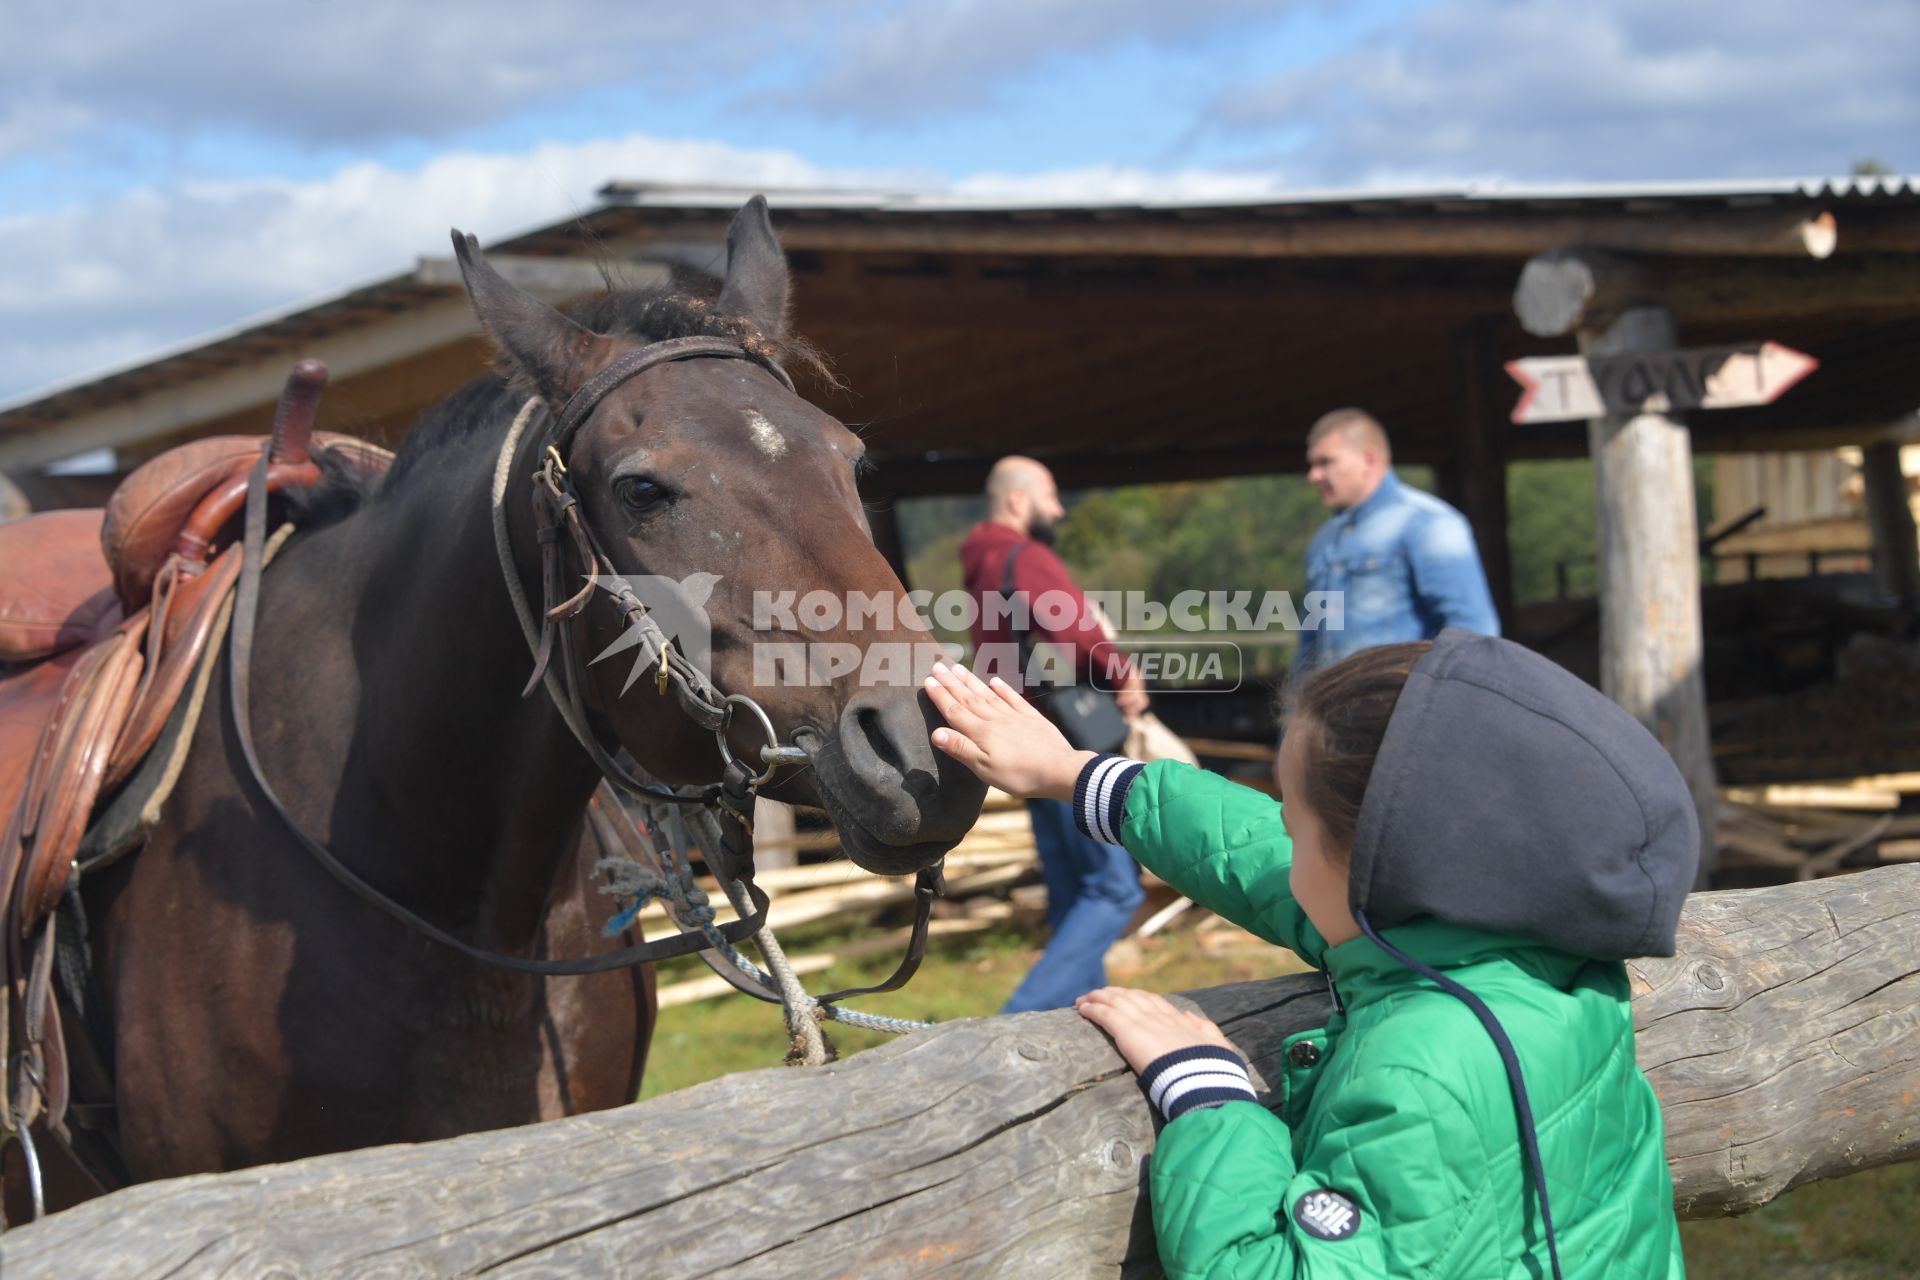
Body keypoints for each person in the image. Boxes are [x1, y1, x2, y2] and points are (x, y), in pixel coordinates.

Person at [921, 630, 1692, 1278]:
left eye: (1295, 825)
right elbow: (1263, 859)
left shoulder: (1422, 1073)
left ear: (1377, 865)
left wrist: (1212, 1097)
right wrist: (1082, 777)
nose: (1282, 843)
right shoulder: (1528, 943)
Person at [960, 455, 1147, 1013]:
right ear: (1018, 501)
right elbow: (1074, 632)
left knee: (1072, 894)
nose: (1059, 509)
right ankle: (1016, 1020)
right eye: (1050, 496)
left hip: (1019, 737)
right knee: (1116, 887)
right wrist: (1123, 675)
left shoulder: (978, 561)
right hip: (1065, 741)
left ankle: (1078, 1022)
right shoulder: (1026, 556)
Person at [1295, 408, 1500, 674]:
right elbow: (1309, 645)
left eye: (1325, 462)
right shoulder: (1322, 542)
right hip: (1330, 712)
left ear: (1368, 460)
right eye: (1312, 465)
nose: (1314, 476)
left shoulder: (1429, 523)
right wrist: (1295, 711)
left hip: (1402, 709)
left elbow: (1475, 634)